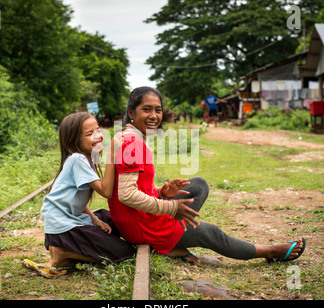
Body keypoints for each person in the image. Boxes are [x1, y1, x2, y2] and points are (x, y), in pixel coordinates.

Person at [108, 86, 306, 265]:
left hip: (136, 218)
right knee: (210, 233)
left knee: (198, 185)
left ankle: (173, 240)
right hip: (142, 226)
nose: (154, 115)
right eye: (147, 109)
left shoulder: (131, 137)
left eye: (157, 110)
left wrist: (161, 192)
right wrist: (169, 207)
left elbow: (134, 185)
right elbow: (126, 194)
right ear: (131, 113)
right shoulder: (132, 143)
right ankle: (269, 251)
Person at [24, 112, 135, 278]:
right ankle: (62, 254)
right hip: (63, 229)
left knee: (107, 217)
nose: (98, 136)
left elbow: (74, 201)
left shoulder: (86, 159)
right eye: (90, 134)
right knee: (124, 253)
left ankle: (70, 253)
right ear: (75, 141)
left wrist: (94, 219)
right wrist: (112, 154)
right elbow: (106, 191)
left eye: (98, 130)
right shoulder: (77, 159)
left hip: (68, 223)